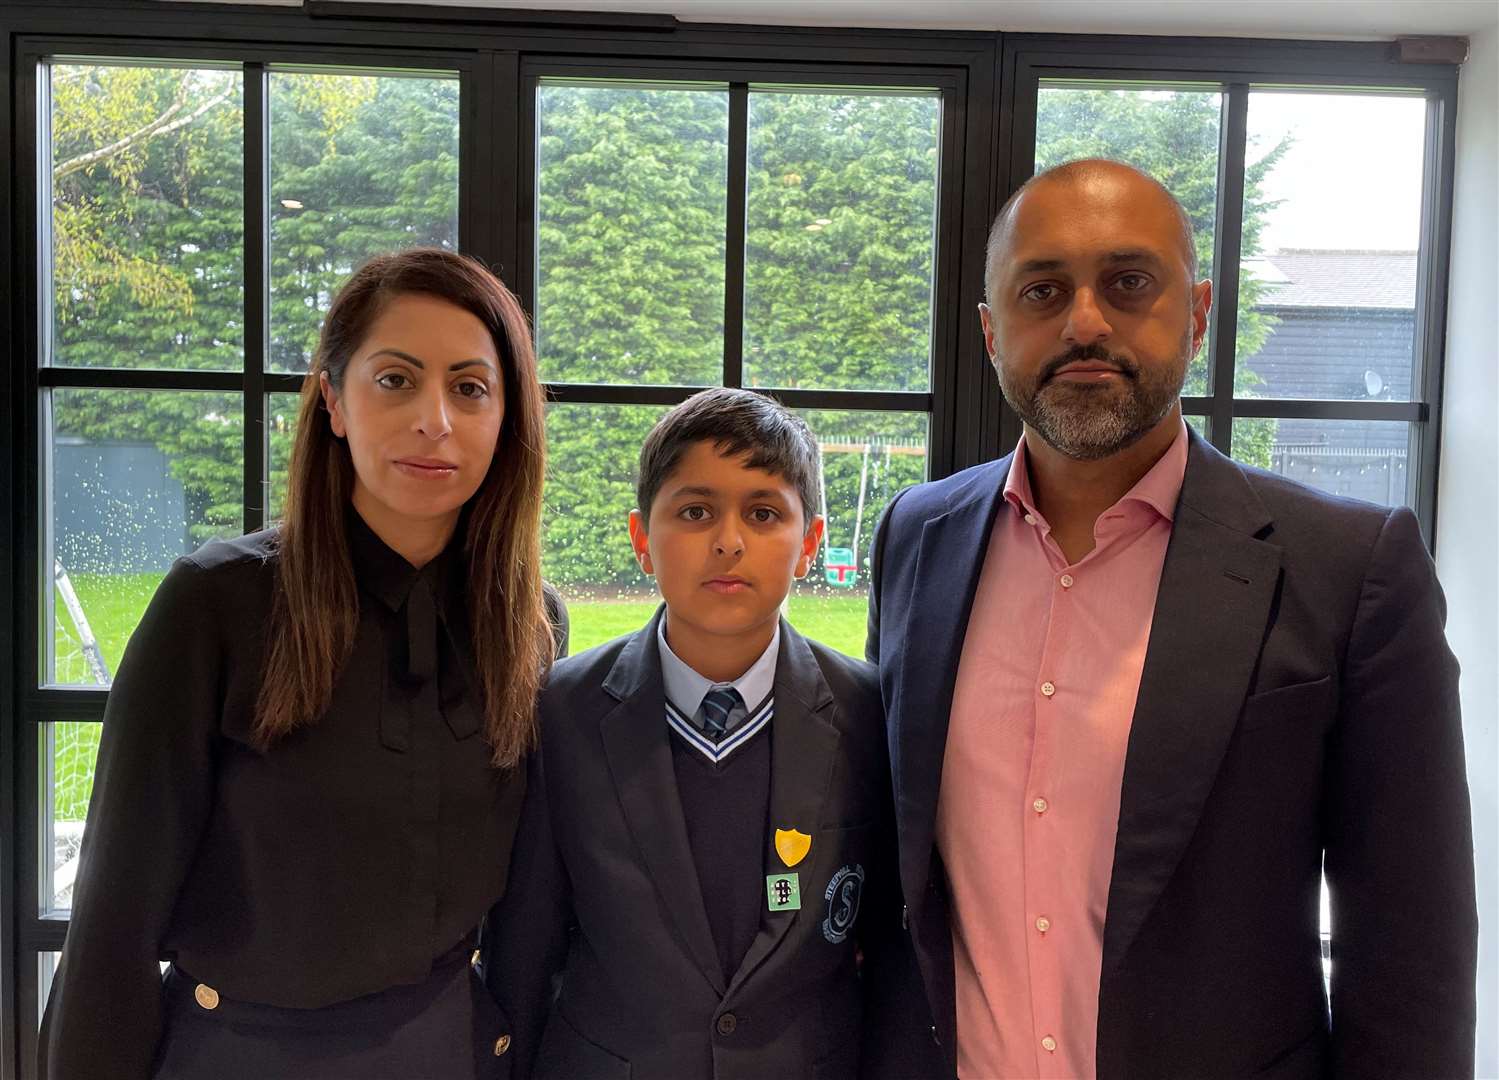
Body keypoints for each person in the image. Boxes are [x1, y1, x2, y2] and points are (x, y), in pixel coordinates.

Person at [866, 159, 1477, 1079]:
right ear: (991, 332)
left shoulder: (1351, 567)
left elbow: (1409, 944)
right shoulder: (918, 535)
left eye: (1127, 282)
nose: (1083, 322)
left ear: (1194, 314)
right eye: (1042, 290)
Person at [40, 247, 566, 1080]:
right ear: (333, 401)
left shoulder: (526, 626)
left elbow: (532, 903)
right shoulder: (218, 605)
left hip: (445, 1051)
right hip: (236, 1053)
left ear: (509, 418)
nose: (435, 418)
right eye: (395, 380)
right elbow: (114, 916)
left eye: (470, 388)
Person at [481, 387, 919, 1080]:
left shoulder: (869, 713)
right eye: (694, 511)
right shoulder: (558, 713)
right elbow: (525, 946)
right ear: (641, 540)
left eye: (763, 512)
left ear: (808, 543)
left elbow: (893, 955)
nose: (727, 540)